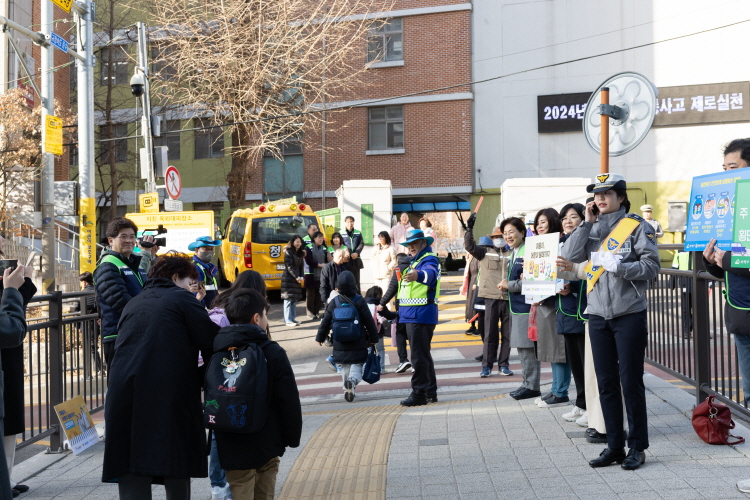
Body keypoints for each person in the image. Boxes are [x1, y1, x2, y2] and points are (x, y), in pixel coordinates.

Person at [102, 252, 221, 499]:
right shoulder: (181, 299)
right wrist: (200, 379)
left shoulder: (135, 301)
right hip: (167, 389)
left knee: (131, 458)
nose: (192, 288)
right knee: (175, 457)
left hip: (123, 390)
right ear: (176, 277)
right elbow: (213, 342)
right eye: (191, 282)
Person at [561, 173, 659, 471]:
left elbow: (651, 267)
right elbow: (568, 256)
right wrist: (586, 223)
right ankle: (615, 446)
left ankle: (637, 447)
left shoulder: (637, 227)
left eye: (607, 193)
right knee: (605, 383)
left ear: (621, 197)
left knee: (630, 382)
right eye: (596, 194)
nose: (600, 198)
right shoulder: (589, 228)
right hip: (597, 314)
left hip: (629, 313)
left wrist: (621, 267)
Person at [213, 289, 302, 499]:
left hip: (231, 441)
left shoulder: (217, 350)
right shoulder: (272, 351)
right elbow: (288, 398)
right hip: (267, 439)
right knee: (265, 491)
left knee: (239, 488)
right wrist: (291, 436)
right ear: (256, 318)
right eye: (265, 315)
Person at [207, 270, 267, 500]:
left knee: (218, 429)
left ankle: (221, 485)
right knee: (222, 430)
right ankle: (221, 485)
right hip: (236, 380)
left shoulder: (221, 307)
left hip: (219, 380)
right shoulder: (240, 310)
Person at [0, 244, 35, 499]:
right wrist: (13, 288)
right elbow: (10, 327)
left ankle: (7, 478)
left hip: (8, 356)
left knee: (9, 418)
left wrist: (23, 284)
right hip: (6, 349)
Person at [93, 217, 149, 373]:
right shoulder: (108, 265)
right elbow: (121, 302)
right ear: (111, 241)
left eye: (132, 236)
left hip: (137, 333)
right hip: (118, 336)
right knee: (120, 389)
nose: (129, 240)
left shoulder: (134, 265)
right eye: (123, 236)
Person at [316, 271, 378, 401]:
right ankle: (353, 381)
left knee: (344, 365)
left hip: (340, 342)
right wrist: (373, 338)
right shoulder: (359, 300)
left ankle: (347, 389)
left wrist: (320, 337)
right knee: (357, 364)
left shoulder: (334, 302)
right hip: (358, 340)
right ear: (353, 285)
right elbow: (369, 321)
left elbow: (326, 321)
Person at [463, 218, 513, 378]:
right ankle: (487, 366)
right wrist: (469, 229)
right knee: (489, 334)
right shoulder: (484, 252)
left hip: (508, 298)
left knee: (508, 335)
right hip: (490, 298)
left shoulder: (513, 253)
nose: (499, 239)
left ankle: (504, 365)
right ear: (492, 239)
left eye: (502, 236)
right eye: (496, 236)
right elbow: (469, 246)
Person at [530, 208, 569, 408]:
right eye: (537, 223)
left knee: (558, 349)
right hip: (544, 302)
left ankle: (560, 391)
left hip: (557, 303)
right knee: (552, 349)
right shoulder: (538, 246)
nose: (539, 226)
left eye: (543, 221)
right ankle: (556, 389)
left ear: (554, 221)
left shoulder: (562, 243)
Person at [397, 229, 441, 406]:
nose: (411, 247)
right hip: (412, 314)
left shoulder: (429, 259)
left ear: (424, 243)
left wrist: (419, 275)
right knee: (423, 355)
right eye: (408, 244)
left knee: (418, 357)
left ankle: (419, 394)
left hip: (421, 314)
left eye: (414, 243)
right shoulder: (414, 262)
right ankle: (429, 392)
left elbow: (430, 274)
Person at [498, 218, 540, 400]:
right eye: (505, 233)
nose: (508, 236)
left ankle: (532, 386)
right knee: (522, 348)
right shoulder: (514, 253)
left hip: (527, 307)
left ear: (522, 233)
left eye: (512, 232)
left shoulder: (528, 252)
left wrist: (509, 285)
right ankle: (527, 383)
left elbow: (532, 281)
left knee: (527, 347)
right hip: (516, 307)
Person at [555, 203, 588, 424]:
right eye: (565, 218)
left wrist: (572, 287)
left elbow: (588, 274)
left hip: (582, 310)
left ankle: (590, 407)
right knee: (575, 362)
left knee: (587, 363)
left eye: (573, 217)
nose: (568, 221)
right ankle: (581, 403)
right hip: (565, 310)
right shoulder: (560, 244)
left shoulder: (585, 243)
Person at [379, 253, 412, 374]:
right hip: (419, 308)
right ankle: (415, 362)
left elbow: (392, 288)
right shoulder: (416, 265)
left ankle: (403, 360)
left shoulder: (399, 269)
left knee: (401, 333)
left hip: (404, 309)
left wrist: (382, 304)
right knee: (414, 335)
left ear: (398, 261)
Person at [79, 272, 103, 375]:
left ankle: (98, 369)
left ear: (84, 282)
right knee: (94, 345)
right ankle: (98, 368)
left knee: (91, 346)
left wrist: (79, 326)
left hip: (87, 323)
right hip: (97, 321)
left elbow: (78, 310)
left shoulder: (83, 293)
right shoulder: (97, 290)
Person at [189, 236, 222, 307]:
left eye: (211, 249)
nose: (209, 252)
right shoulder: (196, 268)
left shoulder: (208, 267)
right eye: (205, 249)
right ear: (196, 250)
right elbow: (197, 294)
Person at [281, 236, 305, 327]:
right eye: (297, 242)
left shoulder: (300, 253)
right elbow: (289, 266)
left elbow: (301, 267)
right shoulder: (288, 251)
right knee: (288, 300)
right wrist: (296, 277)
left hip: (296, 278)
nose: (298, 243)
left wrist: (301, 276)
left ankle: (292, 318)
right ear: (292, 242)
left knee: (294, 300)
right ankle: (287, 320)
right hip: (288, 278)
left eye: (300, 242)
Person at [304, 231, 328, 320]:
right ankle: (310, 312)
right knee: (310, 294)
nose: (321, 239)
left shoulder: (324, 248)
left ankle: (316, 311)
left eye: (322, 237)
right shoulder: (308, 247)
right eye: (319, 237)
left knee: (319, 293)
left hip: (321, 273)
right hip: (310, 273)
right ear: (314, 238)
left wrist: (325, 264)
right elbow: (308, 260)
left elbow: (327, 259)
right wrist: (319, 265)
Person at [342, 216, 364, 292]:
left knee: (356, 280)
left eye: (351, 221)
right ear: (345, 223)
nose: (349, 223)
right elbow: (341, 244)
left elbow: (361, 243)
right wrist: (348, 253)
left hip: (356, 259)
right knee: (346, 279)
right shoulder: (341, 233)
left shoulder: (358, 232)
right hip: (346, 259)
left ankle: (358, 298)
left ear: (353, 223)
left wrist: (357, 253)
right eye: (348, 222)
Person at [460, 252, 480, 336]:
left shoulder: (479, 257)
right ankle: (473, 325)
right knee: (471, 304)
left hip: (477, 282)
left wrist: (478, 283)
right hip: (471, 282)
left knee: (478, 304)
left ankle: (480, 327)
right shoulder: (470, 257)